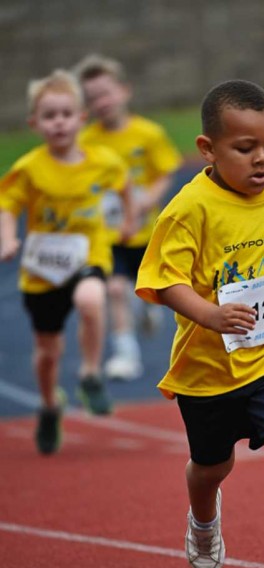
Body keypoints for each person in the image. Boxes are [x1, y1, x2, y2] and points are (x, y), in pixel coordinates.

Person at [136, 79, 264, 568]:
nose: (261, 158)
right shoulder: (188, 209)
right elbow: (165, 281)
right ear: (208, 149)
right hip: (208, 368)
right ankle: (203, 517)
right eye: (245, 148)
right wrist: (211, 315)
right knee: (211, 467)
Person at [0, 69, 134, 455]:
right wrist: (7, 239)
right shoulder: (29, 168)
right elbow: (8, 206)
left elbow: (124, 185)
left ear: (81, 119)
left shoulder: (104, 161)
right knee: (47, 353)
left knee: (91, 299)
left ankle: (90, 373)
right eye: (49, 116)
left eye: (65, 114)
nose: (58, 122)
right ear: (35, 123)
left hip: (88, 253)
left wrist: (128, 221)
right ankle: (48, 405)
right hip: (42, 268)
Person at [75, 54, 183, 380]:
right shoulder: (86, 141)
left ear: (125, 91)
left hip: (147, 232)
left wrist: (147, 200)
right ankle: (126, 355)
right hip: (109, 234)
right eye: (92, 98)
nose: (101, 102)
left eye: (106, 93)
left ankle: (149, 308)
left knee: (154, 290)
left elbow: (165, 170)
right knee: (115, 290)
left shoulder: (148, 134)